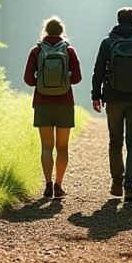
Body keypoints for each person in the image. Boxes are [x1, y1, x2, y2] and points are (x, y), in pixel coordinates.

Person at [91, 7, 132, 202]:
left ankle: (116, 183)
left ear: (118, 20)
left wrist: (96, 95)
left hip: (112, 97)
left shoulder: (107, 42)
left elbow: (98, 70)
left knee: (115, 141)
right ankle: (130, 188)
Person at [24, 16, 82, 199]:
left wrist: (41, 81)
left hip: (42, 103)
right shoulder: (69, 50)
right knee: (62, 147)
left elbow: (28, 80)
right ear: (61, 31)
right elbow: (77, 78)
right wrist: (64, 80)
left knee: (46, 146)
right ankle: (59, 185)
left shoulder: (36, 50)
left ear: (46, 31)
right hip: (65, 103)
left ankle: (48, 185)